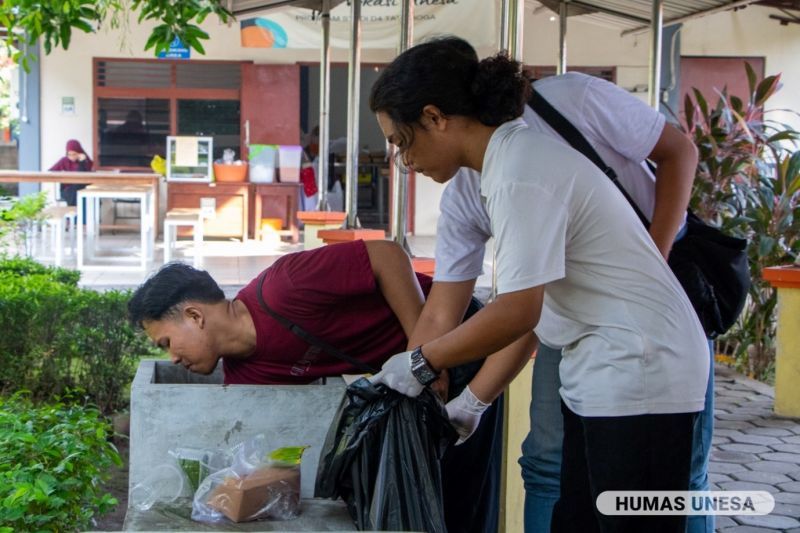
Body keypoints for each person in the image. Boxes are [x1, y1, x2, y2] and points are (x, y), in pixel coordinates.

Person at [369, 37, 709, 532]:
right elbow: (492, 308)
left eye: (402, 142)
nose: (405, 162)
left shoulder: (519, 173)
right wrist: (452, 397)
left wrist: (422, 363)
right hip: (601, 365)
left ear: (435, 117)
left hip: (641, 367)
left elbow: (517, 311)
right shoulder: (502, 166)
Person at [127, 239, 502, 533]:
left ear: (194, 315)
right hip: (415, 386)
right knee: (432, 502)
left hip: (459, 340)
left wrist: (423, 354)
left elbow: (388, 257)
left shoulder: (285, 286)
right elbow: (270, 456)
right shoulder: (244, 376)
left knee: (463, 500)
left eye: (166, 343)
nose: (172, 358)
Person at [49, 139, 93, 206]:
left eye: (74, 154)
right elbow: (51, 171)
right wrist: (62, 175)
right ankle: (76, 213)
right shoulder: (64, 160)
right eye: (69, 154)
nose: (71, 157)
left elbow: (83, 175)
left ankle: (74, 213)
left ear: (79, 153)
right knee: (75, 191)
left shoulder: (86, 161)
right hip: (68, 189)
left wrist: (82, 162)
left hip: (83, 188)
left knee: (78, 189)